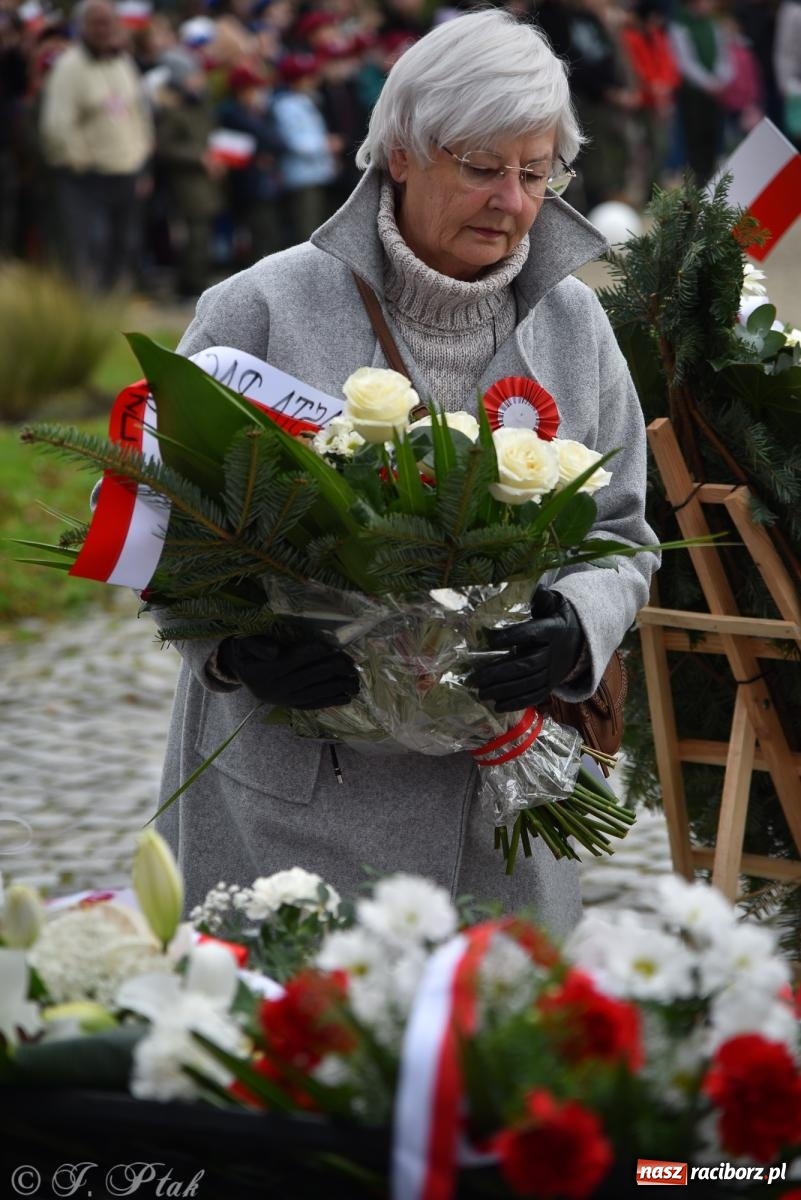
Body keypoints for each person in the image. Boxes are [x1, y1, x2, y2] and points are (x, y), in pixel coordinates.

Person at [156, 10, 659, 933]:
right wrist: (232, 648)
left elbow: (624, 532)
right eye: (479, 167)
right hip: (295, 810)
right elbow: (167, 529)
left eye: (535, 171)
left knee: (485, 1067)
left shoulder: (576, 328)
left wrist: (575, 627)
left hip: (498, 815)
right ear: (397, 153)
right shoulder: (257, 308)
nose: (510, 199)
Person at [38, 0, 153, 292]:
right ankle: (84, 316)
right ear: (82, 27)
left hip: (125, 171)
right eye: (97, 23)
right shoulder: (69, 67)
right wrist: (82, 161)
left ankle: (110, 312)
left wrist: (140, 157)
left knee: (123, 244)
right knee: (88, 248)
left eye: (110, 22)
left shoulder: (122, 62)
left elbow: (138, 113)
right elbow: (58, 125)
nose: (105, 29)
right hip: (85, 176)